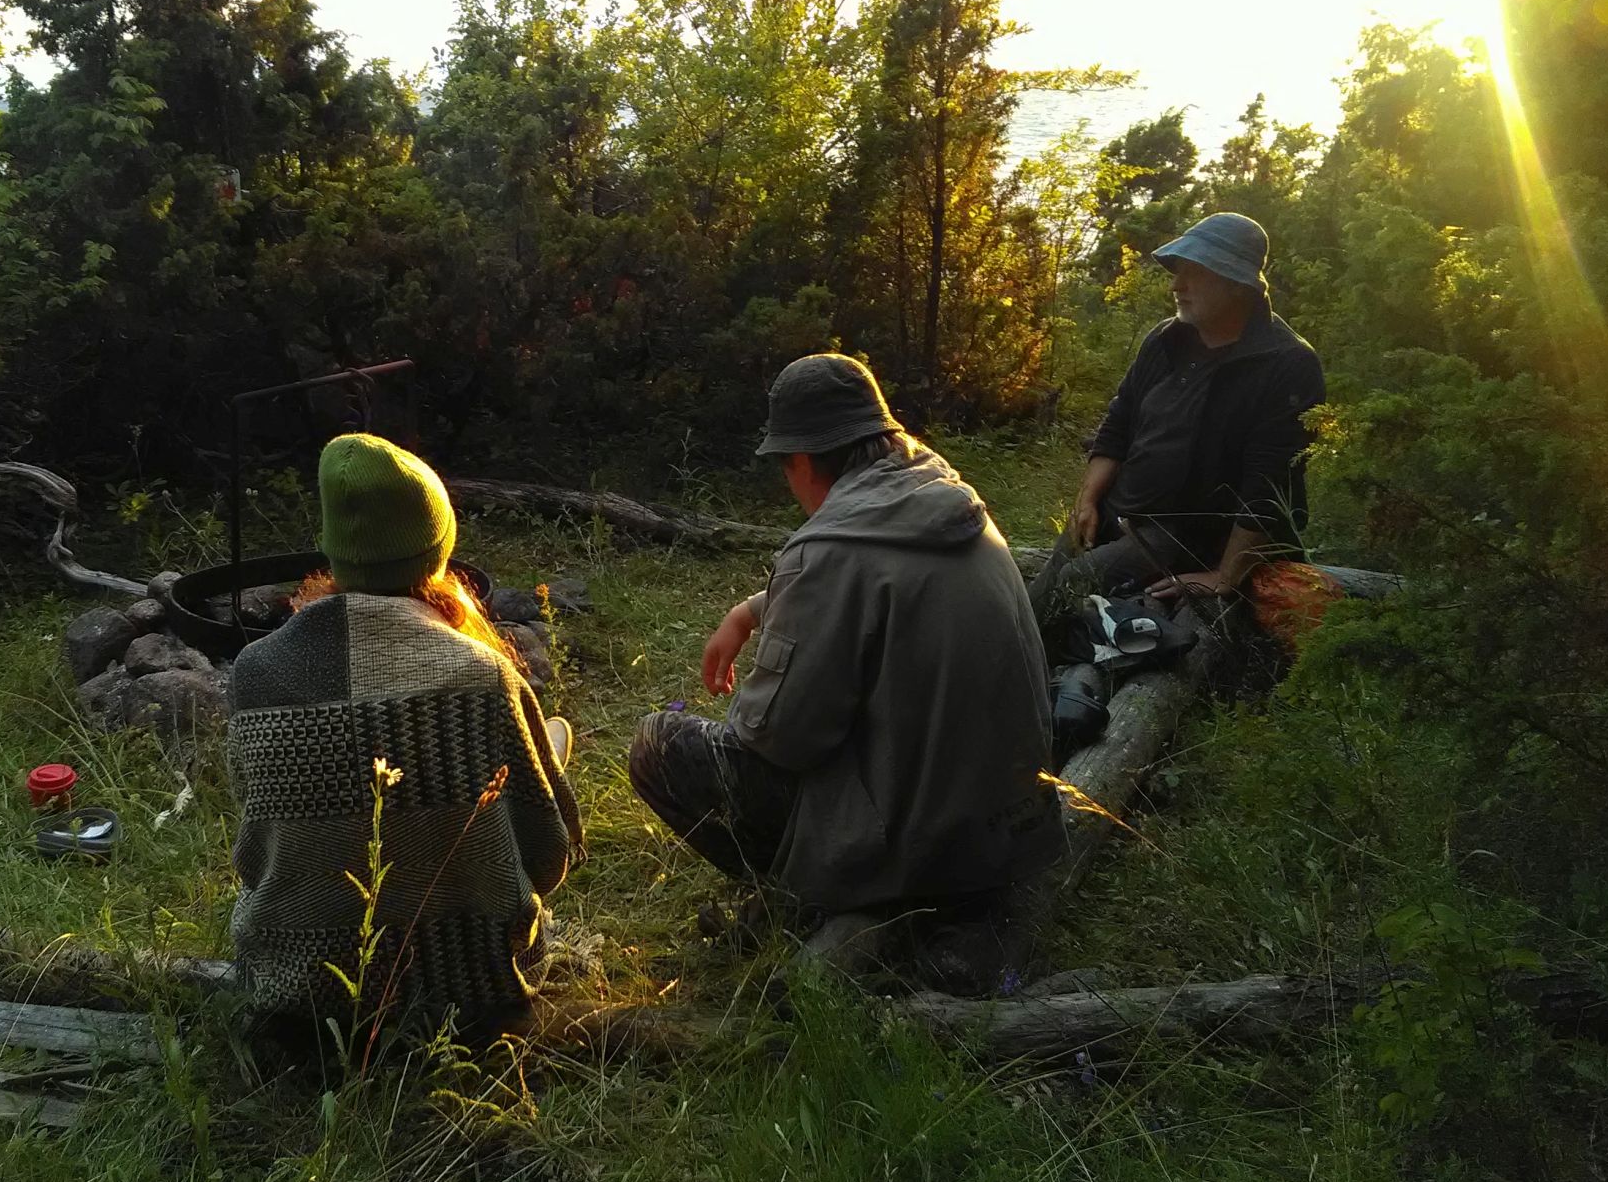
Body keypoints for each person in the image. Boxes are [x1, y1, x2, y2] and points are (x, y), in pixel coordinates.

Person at [628, 354, 1065, 924]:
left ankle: (800, 901)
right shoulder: (946, 503)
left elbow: (781, 739)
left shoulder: (828, 550)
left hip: (917, 858)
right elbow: (878, 597)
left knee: (659, 744)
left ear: (802, 460)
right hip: (1008, 833)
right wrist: (752, 611)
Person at [228, 433, 582, 1036]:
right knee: (551, 737)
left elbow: (256, 854)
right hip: (474, 988)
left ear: (332, 552)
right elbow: (550, 852)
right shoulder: (480, 672)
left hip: (300, 991)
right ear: (438, 548)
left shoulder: (256, 672)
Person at [1028, 212, 1325, 629]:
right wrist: (1087, 501)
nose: (1175, 286)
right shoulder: (1167, 338)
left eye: (1194, 273)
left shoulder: (1286, 364)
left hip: (1184, 536)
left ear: (1237, 284)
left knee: (1073, 585)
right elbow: (1118, 423)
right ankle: (1008, 673)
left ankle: (1047, 677)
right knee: (1035, 596)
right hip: (1120, 510)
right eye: (1177, 271)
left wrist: (1224, 575)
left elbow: (1269, 486)